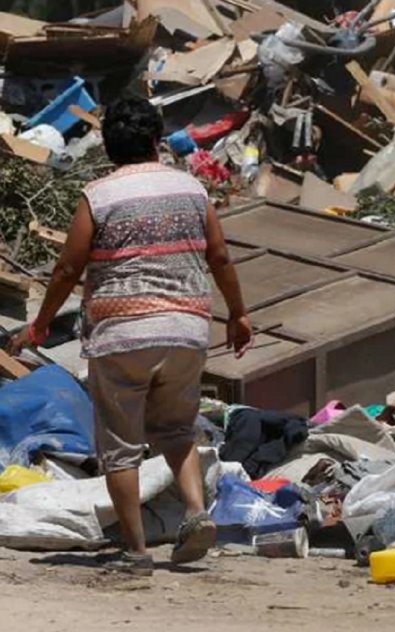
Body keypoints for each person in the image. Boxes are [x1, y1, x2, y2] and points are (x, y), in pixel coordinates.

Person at [9, 96, 254, 576]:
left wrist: (40, 325)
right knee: (177, 430)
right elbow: (220, 257)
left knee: (120, 447)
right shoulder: (192, 190)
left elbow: (67, 267)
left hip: (121, 334)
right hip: (185, 329)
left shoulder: (98, 196)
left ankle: (136, 552)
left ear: (107, 144)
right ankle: (196, 512)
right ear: (157, 142)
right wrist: (238, 315)